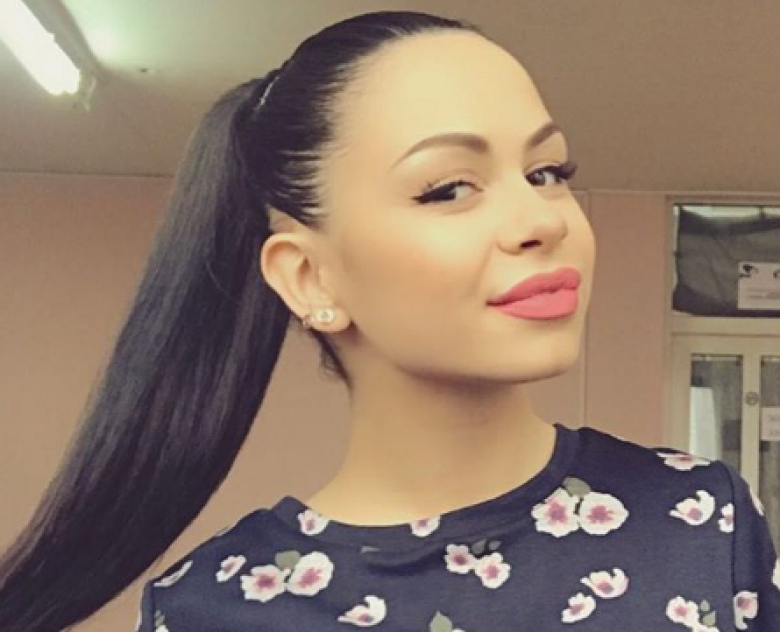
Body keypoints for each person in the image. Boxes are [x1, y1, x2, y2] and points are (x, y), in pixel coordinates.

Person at [0, 9, 778, 632]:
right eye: (448, 188)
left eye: (546, 171)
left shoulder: (701, 520)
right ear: (309, 277)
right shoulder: (212, 607)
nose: (543, 219)